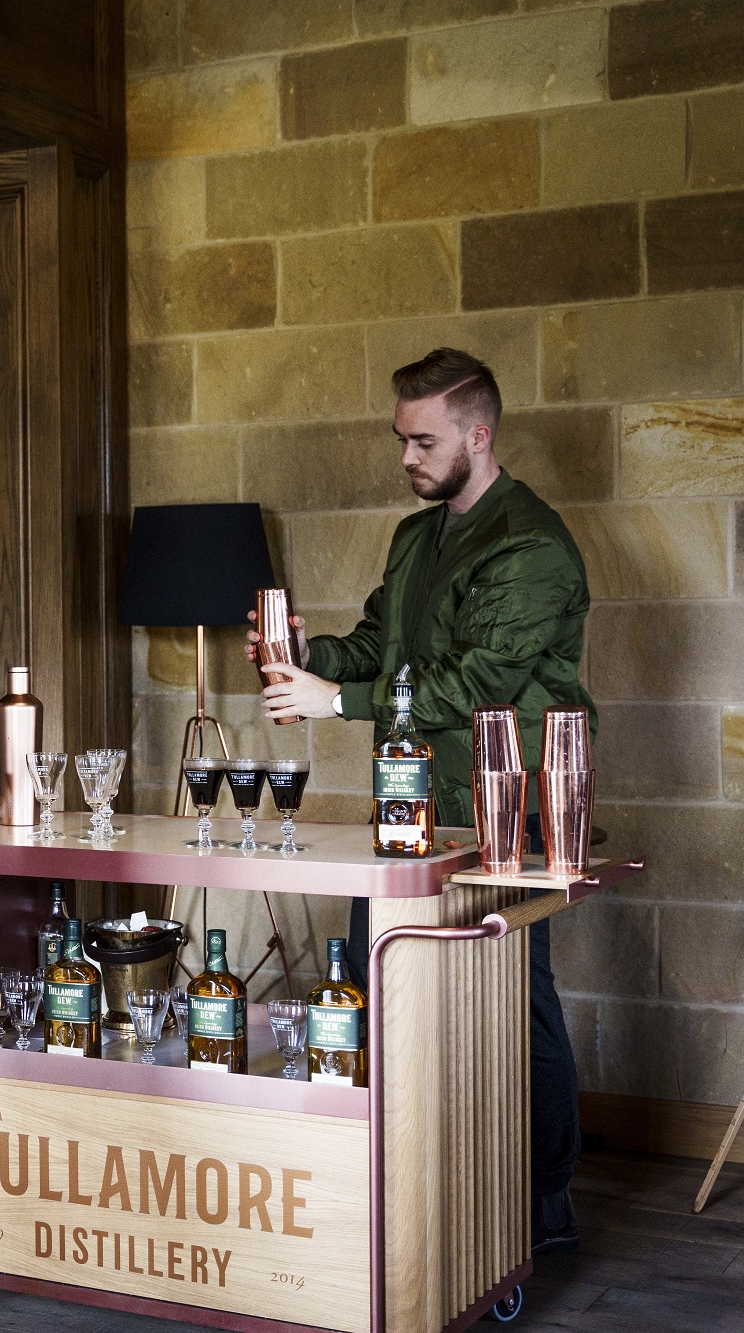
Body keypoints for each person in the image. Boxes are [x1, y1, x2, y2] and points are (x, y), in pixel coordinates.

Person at [248, 347, 595, 1256]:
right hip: (407, 804)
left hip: (504, 804)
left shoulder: (535, 545)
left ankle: (545, 1197)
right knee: (382, 975)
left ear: (478, 436)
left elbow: (476, 679)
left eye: (422, 440)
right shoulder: (415, 536)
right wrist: (306, 657)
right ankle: (395, 1178)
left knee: (517, 998)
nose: (405, 457)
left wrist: (339, 704)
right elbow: (380, 644)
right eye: (400, 438)